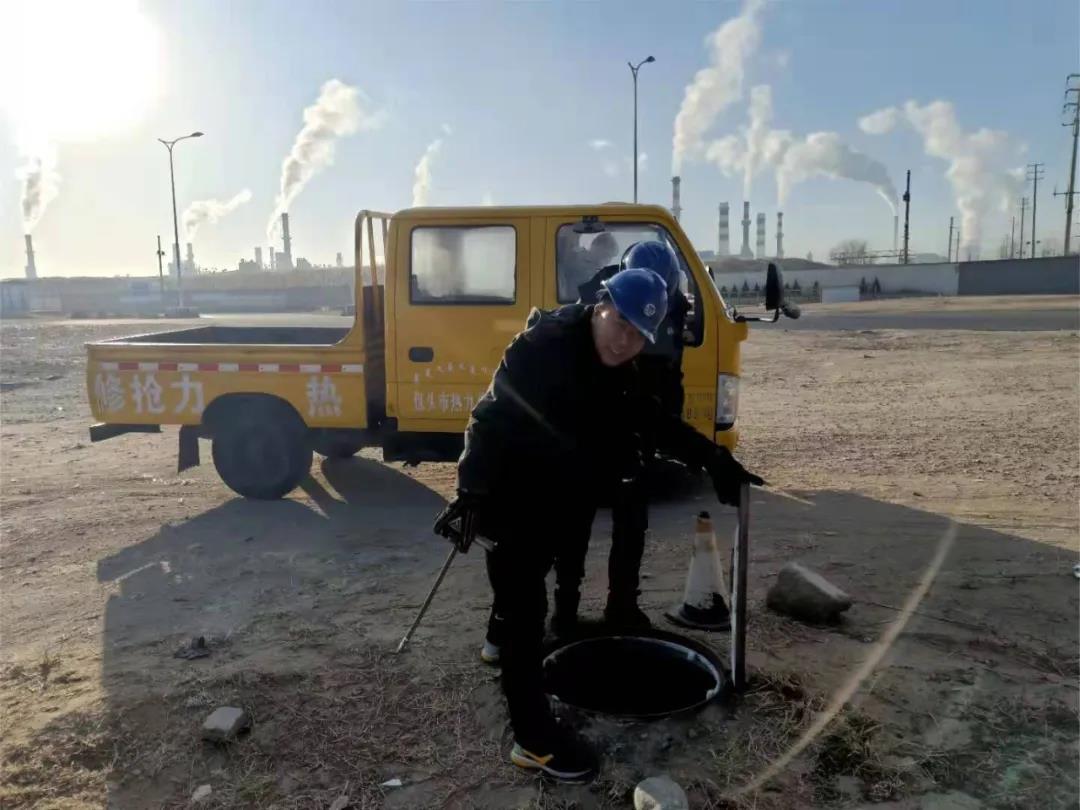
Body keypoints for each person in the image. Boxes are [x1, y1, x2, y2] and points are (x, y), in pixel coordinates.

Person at [435, 268, 762, 781]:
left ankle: (497, 645)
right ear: (602, 304)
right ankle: (533, 741)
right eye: (621, 323)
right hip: (511, 493)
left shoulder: (620, 368)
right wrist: (470, 489)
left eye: (639, 335)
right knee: (526, 613)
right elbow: (488, 417)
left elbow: (650, 420)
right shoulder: (541, 346)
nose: (626, 340)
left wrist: (714, 460)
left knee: (527, 593)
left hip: (558, 493)